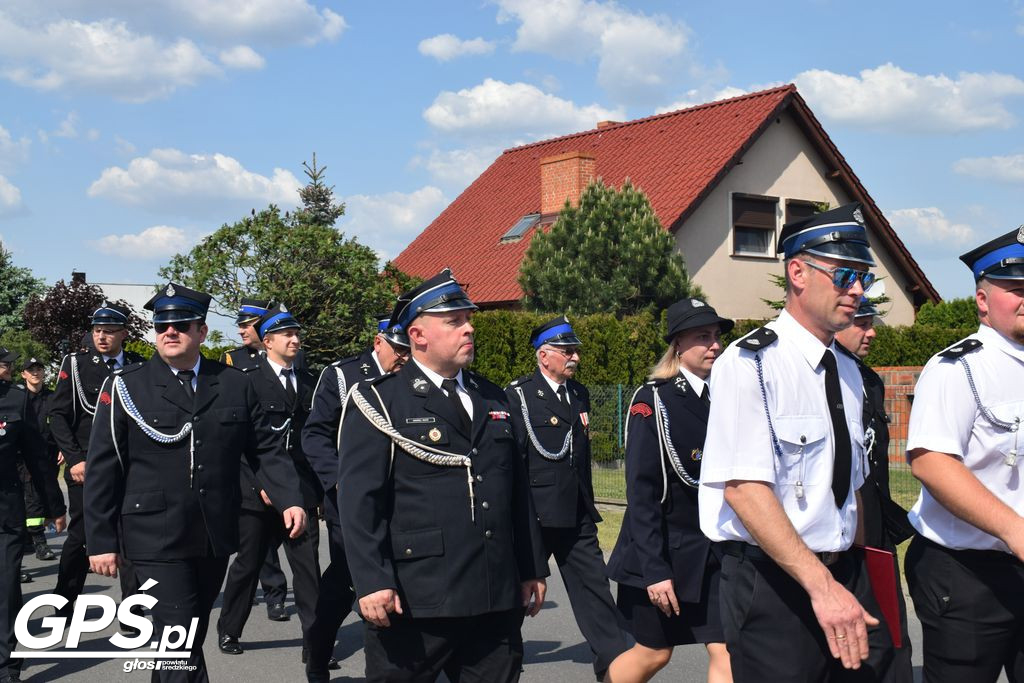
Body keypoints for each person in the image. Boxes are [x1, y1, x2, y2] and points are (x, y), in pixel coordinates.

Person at [697, 202, 890, 681]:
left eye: (863, 277)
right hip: (775, 587)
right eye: (845, 274)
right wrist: (822, 588)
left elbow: (851, 490)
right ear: (798, 272)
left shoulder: (847, 372)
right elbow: (743, 490)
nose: (858, 290)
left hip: (842, 575)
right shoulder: (751, 365)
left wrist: (860, 579)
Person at [85, 283, 308, 682]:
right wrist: (101, 539)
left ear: (201, 332)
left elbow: (265, 449)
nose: (170, 332)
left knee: (188, 634)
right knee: (180, 639)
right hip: (152, 535)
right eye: (162, 326)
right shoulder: (126, 386)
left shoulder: (234, 383)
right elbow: (104, 467)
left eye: (182, 325)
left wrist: (289, 497)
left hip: (212, 533)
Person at [338, 269, 548, 682]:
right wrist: (371, 581)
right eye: (454, 322)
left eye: (469, 319)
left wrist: (531, 567)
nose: (468, 329)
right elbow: (359, 501)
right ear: (418, 335)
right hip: (417, 599)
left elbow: (515, 490)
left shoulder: (493, 396)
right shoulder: (379, 400)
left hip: (493, 594)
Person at [904, 226, 1024, 682]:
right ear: (982, 300)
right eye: (1016, 289)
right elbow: (930, 462)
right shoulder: (959, 367)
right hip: (967, 573)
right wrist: (1014, 530)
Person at [607, 299, 734, 683]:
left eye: (716, 337)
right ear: (678, 344)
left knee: (728, 648)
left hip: (713, 554)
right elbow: (642, 495)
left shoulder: (727, 396)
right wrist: (655, 572)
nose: (714, 345)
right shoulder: (654, 401)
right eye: (702, 337)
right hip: (664, 552)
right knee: (654, 654)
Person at [505, 316, 629, 681]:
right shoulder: (520, 396)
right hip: (536, 516)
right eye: (566, 351)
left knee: (596, 593)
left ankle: (616, 667)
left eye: (576, 350)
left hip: (576, 512)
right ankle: (497, 665)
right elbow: (516, 460)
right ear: (544, 356)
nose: (574, 357)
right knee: (517, 597)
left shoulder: (578, 393)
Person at [302, 312, 410, 682]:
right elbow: (315, 435)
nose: (403, 357)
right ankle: (317, 655)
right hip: (348, 503)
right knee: (348, 583)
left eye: (408, 350)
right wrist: (339, 482)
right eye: (397, 349)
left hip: (400, 505)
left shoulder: (412, 379)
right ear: (378, 342)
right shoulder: (342, 375)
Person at [217, 304, 323, 663]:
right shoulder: (248, 380)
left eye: (297, 334)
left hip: (302, 490)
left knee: (308, 569)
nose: (295, 340)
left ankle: (315, 643)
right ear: (268, 341)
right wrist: (263, 483)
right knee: (248, 564)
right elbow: (241, 445)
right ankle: (229, 629)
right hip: (257, 490)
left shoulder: (311, 381)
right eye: (286, 335)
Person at [49, 303, 146, 619]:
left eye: (109, 331)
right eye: (97, 331)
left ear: (124, 334)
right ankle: (64, 603)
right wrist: (74, 459)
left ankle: (133, 610)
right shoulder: (75, 364)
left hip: (130, 468)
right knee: (81, 536)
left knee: (130, 536)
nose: (102, 337)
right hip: (87, 467)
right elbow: (58, 415)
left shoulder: (138, 366)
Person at [835, 297, 914, 682]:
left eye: (872, 323)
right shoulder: (821, 376)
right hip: (839, 534)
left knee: (891, 638)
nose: (872, 333)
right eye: (861, 324)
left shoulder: (869, 379)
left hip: (877, 531)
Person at [0, 346, 66, 683]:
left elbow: (39, 459)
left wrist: (55, 506)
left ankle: (7, 666)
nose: (6, 368)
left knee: (6, 585)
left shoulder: (15, 400)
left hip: (5, 510)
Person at [18, 357, 59, 569]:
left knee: (46, 496)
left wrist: (63, 449)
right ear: (23, 374)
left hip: (50, 455)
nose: (35, 372)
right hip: (26, 457)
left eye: (39, 369)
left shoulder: (53, 397)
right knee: (33, 498)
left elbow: (62, 424)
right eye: (30, 370)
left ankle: (29, 536)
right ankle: (40, 542)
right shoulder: (18, 398)